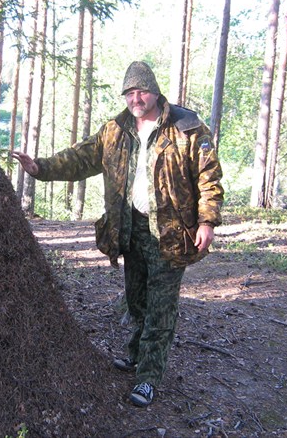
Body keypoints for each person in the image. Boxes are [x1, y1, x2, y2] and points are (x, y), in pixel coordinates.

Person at [12, 61, 224, 407]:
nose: (136, 98)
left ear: (154, 91)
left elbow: (209, 178)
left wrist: (207, 221)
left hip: (172, 232)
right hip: (130, 227)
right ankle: (136, 354)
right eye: (129, 92)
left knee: (161, 306)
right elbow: (81, 159)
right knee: (136, 297)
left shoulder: (187, 128)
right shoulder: (115, 130)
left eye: (141, 91)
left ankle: (149, 378)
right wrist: (41, 168)